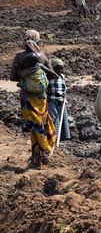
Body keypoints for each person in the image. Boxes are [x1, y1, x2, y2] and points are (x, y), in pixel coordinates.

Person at [11, 30, 55, 167]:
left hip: (26, 99)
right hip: (41, 98)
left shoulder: (18, 57)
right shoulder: (42, 56)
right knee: (40, 125)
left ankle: (39, 156)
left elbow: (12, 78)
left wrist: (25, 77)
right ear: (38, 41)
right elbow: (52, 74)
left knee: (35, 127)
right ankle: (43, 154)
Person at [46, 58, 71, 141]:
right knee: (54, 118)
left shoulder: (62, 77)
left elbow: (64, 88)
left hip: (61, 100)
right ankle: (54, 137)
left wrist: (64, 96)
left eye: (61, 68)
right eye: (57, 68)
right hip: (51, 100)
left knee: (63, 118)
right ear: (52, 68)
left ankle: (64, 136)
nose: (60, 70)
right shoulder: (48, 77)